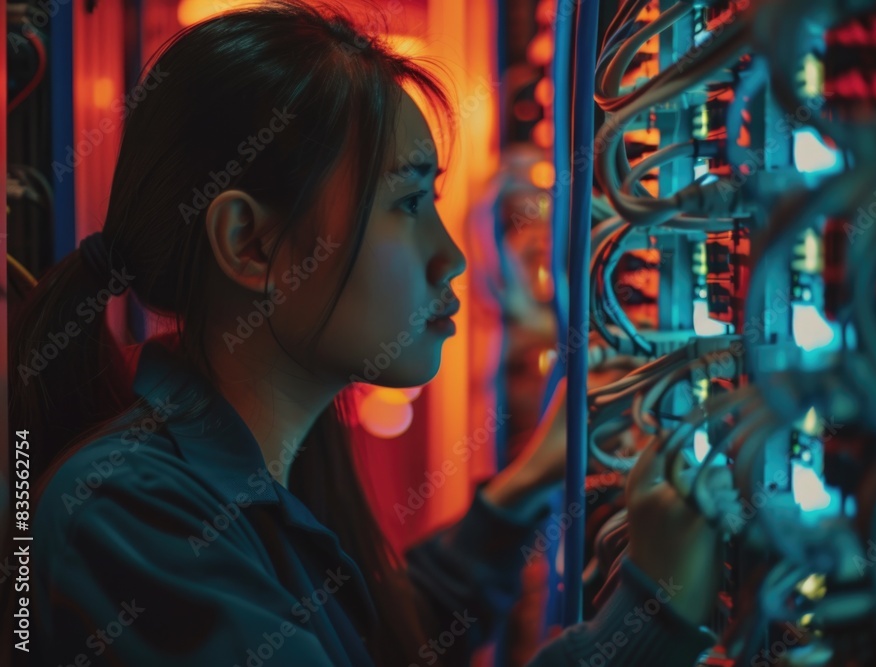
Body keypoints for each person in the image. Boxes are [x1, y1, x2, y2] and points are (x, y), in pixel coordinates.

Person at [6, 2, 723, 665]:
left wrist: (527, 485)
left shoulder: (248, 468)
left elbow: (385, 641)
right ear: (249, 243)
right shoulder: (128, 520)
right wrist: (652, 611)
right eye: (408, 202)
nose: (453, 255)